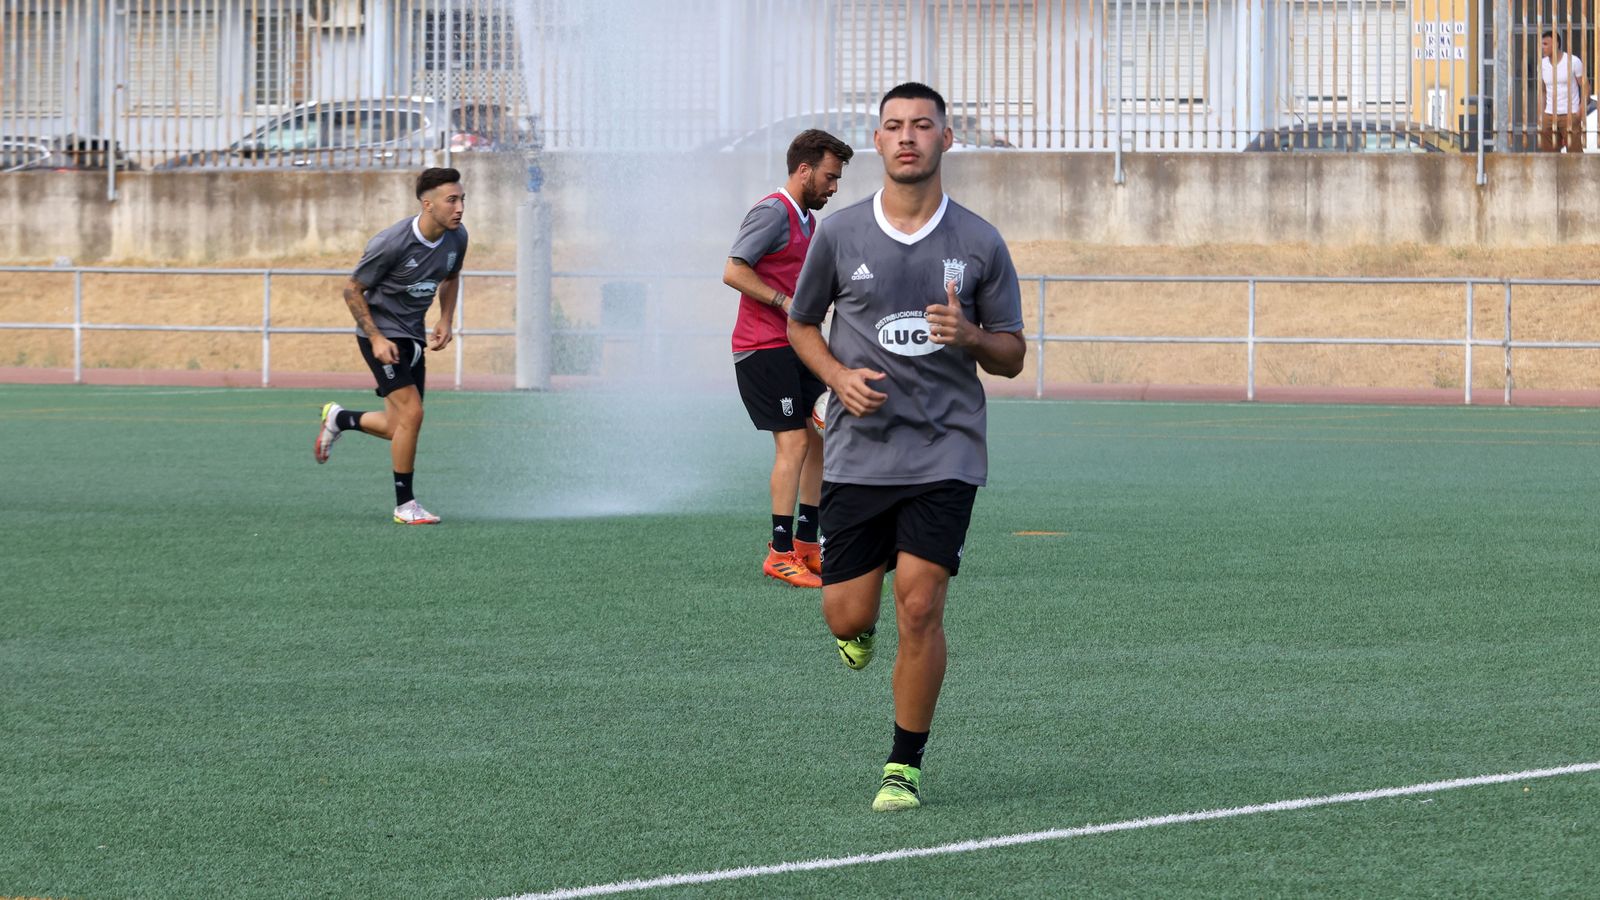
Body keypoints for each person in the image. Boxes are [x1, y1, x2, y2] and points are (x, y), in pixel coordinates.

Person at [788, 83, 1025, 812]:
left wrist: (974, 337)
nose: (908, 137)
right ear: (880, 141)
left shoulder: (980, 242)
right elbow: (800, 325)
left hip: (945, 450)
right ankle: (855, 625)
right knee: (849, 616)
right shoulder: (841, 234)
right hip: (861, 452)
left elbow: (1012, 354)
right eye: (893, 126)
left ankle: (904, 766)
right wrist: (834, 377)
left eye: (923, 125)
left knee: (920, 607)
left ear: (946, 139)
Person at [722, 129, 855, 588]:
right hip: (762, 348)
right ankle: (778, 553)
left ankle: (806, 544)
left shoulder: (808, 222)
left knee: (823, 435)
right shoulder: (772, 211)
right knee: (795, 443)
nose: (833, 188)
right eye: (830, 177)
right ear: (804, 170)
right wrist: (783, 303)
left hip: (796, 345)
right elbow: (733, 269)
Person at [313, 167, 468, 525]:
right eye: (452, 200)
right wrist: (377, 338)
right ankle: (405, 505)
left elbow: (452, 276)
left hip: (412, 335)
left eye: (462, 199)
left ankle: (340, 418)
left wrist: (446, 319)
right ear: (427, 204)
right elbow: (352, 289)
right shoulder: (392, 242)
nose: (460, 207)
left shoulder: (457, 238)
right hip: (380, 334)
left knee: (398, 425)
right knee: (413, 415)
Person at [1539, 29, 1589, 153]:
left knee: (1574, 153)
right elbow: (1543, 91)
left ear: (1555, 44)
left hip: (1570, 113)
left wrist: (1579, 112)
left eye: (1545, 44)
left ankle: (1576, 173)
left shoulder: (1573, 61)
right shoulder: (1542, 64)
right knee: (1549, 155)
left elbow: (1586, 87)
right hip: (1549, 114)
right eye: (1541, 44)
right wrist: (1542, 114)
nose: (1542, 47)